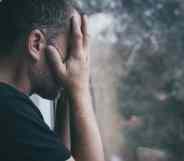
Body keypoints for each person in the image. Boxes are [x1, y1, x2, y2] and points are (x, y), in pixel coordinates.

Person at [0, 0, 105, 161]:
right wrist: (79, 87)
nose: (77, 61)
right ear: (36, 43)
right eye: (72, 49)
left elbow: (58, 155)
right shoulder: (10, 113)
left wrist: (69, 92)